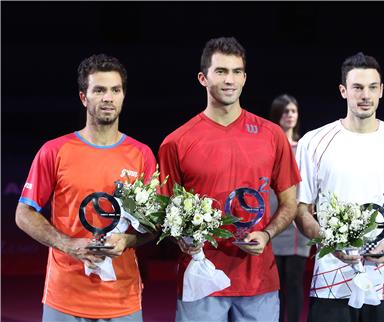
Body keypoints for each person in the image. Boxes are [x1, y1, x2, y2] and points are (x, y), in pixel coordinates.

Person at [158, 37, 301, 322]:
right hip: (201, 280)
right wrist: (182, 239)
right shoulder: (176, 142)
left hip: (259, 282)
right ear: (203, 77)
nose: (230, 80)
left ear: (245, 78)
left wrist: (267, 234)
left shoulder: (271, 136)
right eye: (221, 71)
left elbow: (290, 203)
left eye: (237, 72)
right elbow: (166, 212)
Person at [15, 54, 156, 321]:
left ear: (123, 96)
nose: (108, 98)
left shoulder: (142, 155)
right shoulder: (54, 151)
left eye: (115, 90)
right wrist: (68, 244)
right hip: (64, 297)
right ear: (84, 97)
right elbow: (23, 214)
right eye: (99, 90)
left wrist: (127, 241)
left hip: (122, 299)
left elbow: (153, 226)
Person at [294, 52, 384, 322]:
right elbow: (301, 209)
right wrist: (328, 242)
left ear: (381, 91)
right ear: (343, 91)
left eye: (371, 87)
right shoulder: (314, 142)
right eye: (357, 87)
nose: (365, 95)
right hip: (331, 281)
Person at [269, 94, 310, 322]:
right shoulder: (268, 145)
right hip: (273, 218)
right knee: (275, 283)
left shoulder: (304, 147)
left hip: (296, 224)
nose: (290, 115)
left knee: (294, 281)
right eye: (285, 111)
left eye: (293, 111)